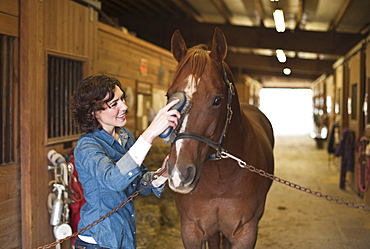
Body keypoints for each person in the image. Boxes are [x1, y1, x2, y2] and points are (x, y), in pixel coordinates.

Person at [69, 74, 180, 249]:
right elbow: (114, 180)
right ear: (94, 112)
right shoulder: (87, 147)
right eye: (114, 104)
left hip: (125, 234)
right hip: (99, 240)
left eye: (122, 99)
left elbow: (135, 182)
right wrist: (149, 134)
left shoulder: (124, 136)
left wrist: (161, 174)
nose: (125, 107)